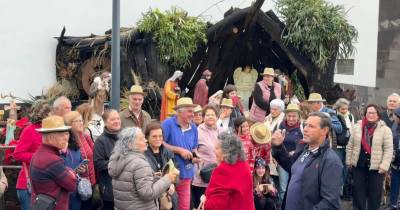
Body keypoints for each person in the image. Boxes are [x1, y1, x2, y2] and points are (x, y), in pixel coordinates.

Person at [272, 112, 343, 210]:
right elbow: (291, 167)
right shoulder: (304, 149)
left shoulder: (331, 161)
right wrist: (278, 146)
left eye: (311, 126)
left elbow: (330, 202)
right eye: (305, 125)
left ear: (324, 130)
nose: (305, 129)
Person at [108, 127, 178, 210]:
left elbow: (131, 183)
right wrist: (168, 178)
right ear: (131, 144)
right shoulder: (139, 163)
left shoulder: (119, 159)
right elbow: (147, 193)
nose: (146, 140)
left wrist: (153, 177)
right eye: (141, 139)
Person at [346, 104, 393, 210]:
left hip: (377, 168)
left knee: (375, 195)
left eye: (373, 113)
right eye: (368, 112)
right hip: (358, 166)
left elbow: (388, 150)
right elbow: (350, 146)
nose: (370, 115)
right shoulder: (357, 127)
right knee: (358, 193)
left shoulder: (385, 129)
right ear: (365, 114)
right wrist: (349, 161)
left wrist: (384, 166)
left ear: (378, 115)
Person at [30, 116, 78, 210]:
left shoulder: (39, 154)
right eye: (61, 135)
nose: (66, 138)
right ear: (50, 138)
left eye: (66, 134)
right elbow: (72, 185)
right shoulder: (52, 160)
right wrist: (71, 173)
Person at [161, 97, 199, 210]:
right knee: (166, 205)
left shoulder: (193, 127)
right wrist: (179, 150)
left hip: (186, 173)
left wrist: (195, 156)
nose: (193, 114)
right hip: (168, 174)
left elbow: (194, 148)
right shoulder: (167, 124)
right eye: (190, 111)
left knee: (184, 207)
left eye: (193, 111)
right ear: (179, 112)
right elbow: (159, 143)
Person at [13, 100, 51, 210]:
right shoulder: (29, 130)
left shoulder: (48, 130)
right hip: (28, 185)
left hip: (43, 184)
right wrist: (39, 157)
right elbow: (17, 154)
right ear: (43, 114)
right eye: (50, 113)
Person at [203, 132, 255, 210]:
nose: (214, 151)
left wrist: (205, 202)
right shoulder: (244, 164)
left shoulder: (222, 170)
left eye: (217, 148)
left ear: (226, 152)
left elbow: (216, 205)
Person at [64, 111, 96, 209]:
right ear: (70, 124)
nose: (81, 123)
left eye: (81, 120)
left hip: (90, 182)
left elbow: (94, 154)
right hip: (75, 185)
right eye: (77, 121)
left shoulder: (85, 136)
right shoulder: (66, 141)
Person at [144, 122, 178, 210]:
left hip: (169, 197)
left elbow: (175, 170)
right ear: (147, 137)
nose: (158, 139)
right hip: (152, 199)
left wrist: (173, 184)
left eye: (160, 136)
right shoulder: (142, 154)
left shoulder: (168, 152)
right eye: (154, 136)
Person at [192, 105, 220, 207]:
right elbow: (193, 150)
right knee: (200, 205)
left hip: (216, 175)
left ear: (217, 117)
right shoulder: (198, 131)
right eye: (208, 115)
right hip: (201, 175)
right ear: (203, 117)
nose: (210, 117)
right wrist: (198, 166)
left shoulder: (219, 130)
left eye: (213, 114)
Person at [94, 109, 121, 210]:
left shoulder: (125, 137)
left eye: (118, 118)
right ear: (105, 122)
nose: (117, 121)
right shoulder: (100, 141)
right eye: (113, 119)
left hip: (126, 190)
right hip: (110, 191)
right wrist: (118, 163)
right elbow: (98, 164)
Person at [276, 103, 303, 202]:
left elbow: (305, 144)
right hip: (283, 160)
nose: (291, 119)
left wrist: (296, 151)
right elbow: (277, 140)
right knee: (283, 187)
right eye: (289, 116)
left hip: (297, 161)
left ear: (298, 116)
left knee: (294, 187)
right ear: (286, 116)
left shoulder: (302, 127)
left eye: (294, 116)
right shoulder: (282, 125)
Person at [333, 98, 355, 200]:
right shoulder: (334, 116)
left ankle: (344, 191)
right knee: (338, 168)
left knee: (346, 169)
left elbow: (353, 130)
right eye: (342, 109)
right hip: (337, 146)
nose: (344, 111)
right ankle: (337, 191)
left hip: (347, 146)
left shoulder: (350, 116)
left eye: (346, 109)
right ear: (338, 108)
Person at [389, 107, 400, 210]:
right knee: (394, 185)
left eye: (395, 116)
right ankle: (393, 205)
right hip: (395, 162)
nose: (394, 118)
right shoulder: (394, 126)